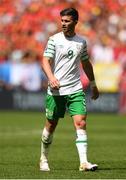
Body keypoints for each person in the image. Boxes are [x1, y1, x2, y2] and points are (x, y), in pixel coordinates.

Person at [40, 8, 99, 172]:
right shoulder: (54, 40)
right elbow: (45, 61)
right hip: (56, 91)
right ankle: (43, 159)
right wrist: (51, 78)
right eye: (62, 21)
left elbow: (86, 64)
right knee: (51, 125)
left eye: (67, 21)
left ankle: (84, 163)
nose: (63, 24)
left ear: (75, 22)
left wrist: (93, 84)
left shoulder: (81, 42)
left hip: (75, 89)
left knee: (81, 123)